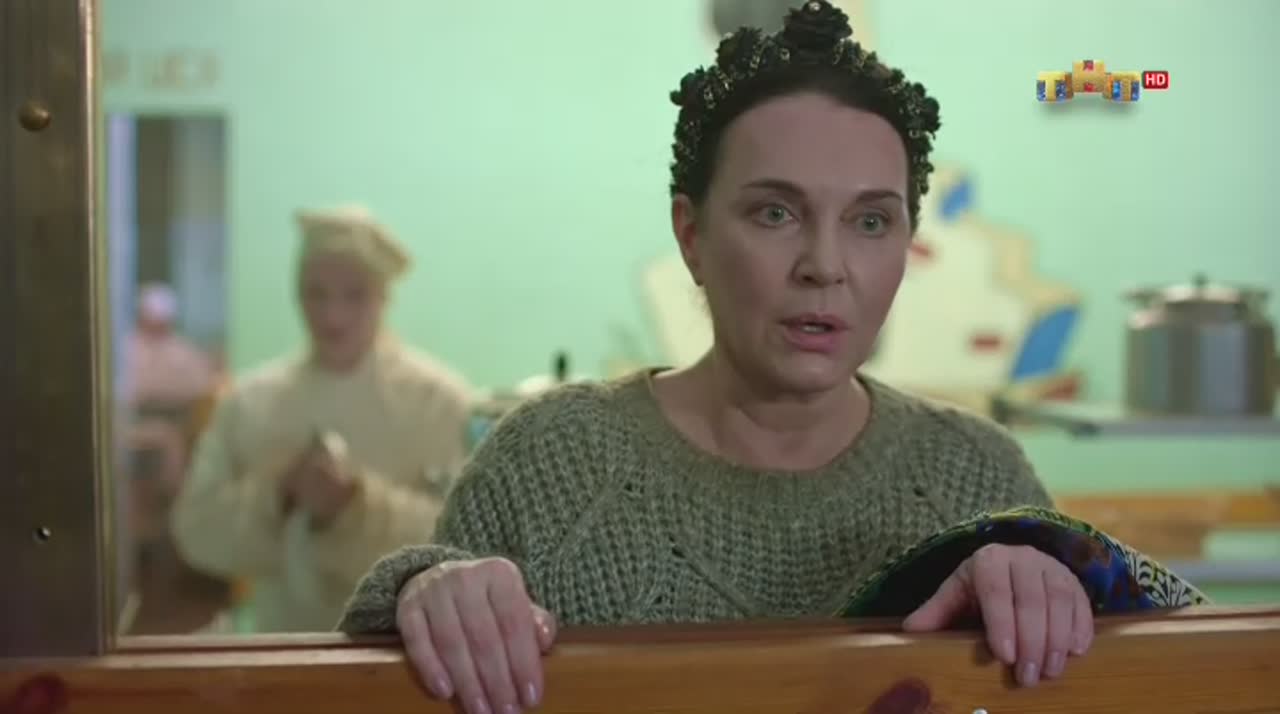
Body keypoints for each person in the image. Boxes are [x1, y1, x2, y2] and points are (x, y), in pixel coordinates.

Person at [338, 3, 1205, 713]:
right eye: (775, 213)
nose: (825, 265)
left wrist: (1058, 600)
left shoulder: (979, 478)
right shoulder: (548, 465)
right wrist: (422, 592)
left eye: (871, 221)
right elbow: (376, 671)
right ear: (692, 236)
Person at [170, 204, 473, 632]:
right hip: (286, 644)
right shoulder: (251, 404)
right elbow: (196, 532)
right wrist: (278, 496)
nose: (333, 316)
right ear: (297, 293)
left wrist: (356, 505)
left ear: (383, 296)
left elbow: (466, 545)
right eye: (317, 293)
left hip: (408, 649)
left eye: (354, 295)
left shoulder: (439, 403)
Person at [125, 283, 216, 409]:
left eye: (161, 322)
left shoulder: (183, 351)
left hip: (176, 416)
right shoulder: (127, 347)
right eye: (152, 320)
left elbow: (201, 385)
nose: (156, 325)